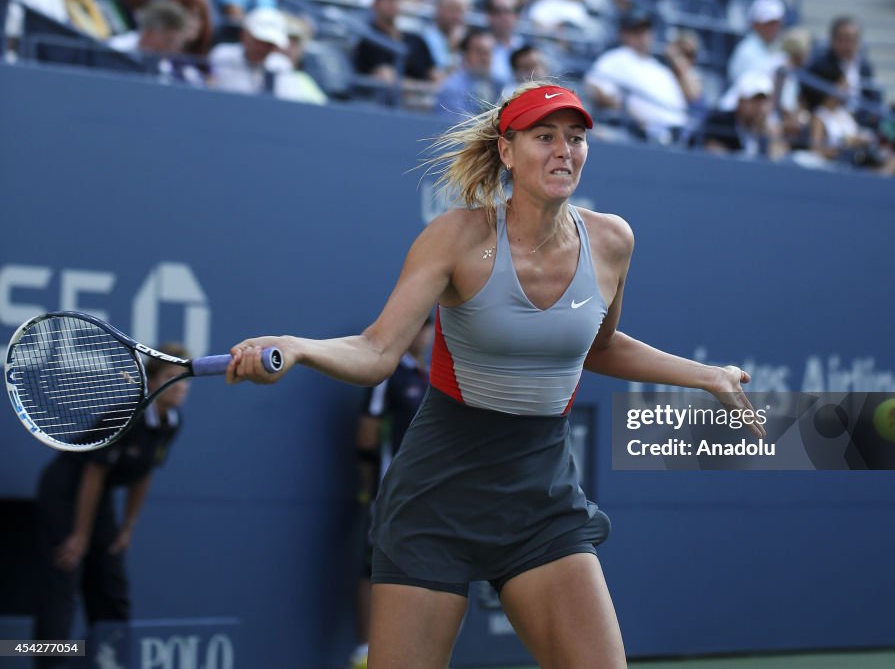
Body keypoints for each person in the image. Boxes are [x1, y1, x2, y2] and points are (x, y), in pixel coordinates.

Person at [226, 81, 766, 668]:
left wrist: (707, 376)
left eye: (576, 138)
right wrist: (299, 349)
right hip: (436, 497)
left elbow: (598, 347)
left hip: (541, 497)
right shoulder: (456, 237)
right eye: (544, 136)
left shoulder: (611, 241)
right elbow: (377, 351)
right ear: (507, 151)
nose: (565, 150)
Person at [33, 344, 191, 669]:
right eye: (172, 378)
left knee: (111, 579)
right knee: (66, 574)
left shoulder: (172, 421)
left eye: (185, 380)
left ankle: (110, 660)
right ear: (153, 383)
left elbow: (144, 474)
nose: (181, 388)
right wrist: (79, 536)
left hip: (98, 495)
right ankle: (50, 663)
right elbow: (92, 473)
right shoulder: (126, 417)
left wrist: (127, 527)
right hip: (66, 489)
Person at [348, 316, 433, 669]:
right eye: (415, 326)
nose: (422, 334)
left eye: (427, 327)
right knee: (375, 566)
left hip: (431, 494)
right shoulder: (389, 374)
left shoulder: (430, 377)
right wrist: (371, 488)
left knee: (425, 569)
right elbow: (367, 436)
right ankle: (366, 651)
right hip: (390, 492)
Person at [585, 8, 688, 144]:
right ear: (624, 34)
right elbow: (592, 85)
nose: (642, 36)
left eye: (646, 30)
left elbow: (683, 103)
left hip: (679, 132)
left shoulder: (661, 68)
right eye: (636, 31)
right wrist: (622, 106)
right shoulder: (616, 57)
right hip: (643, 135)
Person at [353, 0, 439, 107]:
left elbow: (438, 79)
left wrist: (420, 87)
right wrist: (425, 88)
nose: (394, 3)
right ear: (376, 3)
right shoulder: (369, 42)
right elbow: (389, 81)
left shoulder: (417, 40)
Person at [701, 70, 787, 159]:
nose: (761, 108)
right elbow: (715, 158)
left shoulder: (767, 132)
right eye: (755, 101)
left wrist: (774, 138)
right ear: (740, 102)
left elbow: (777, 162)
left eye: (764, 102)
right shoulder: (720, 122)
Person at [434, 28, 501, 120]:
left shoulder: (498, 84)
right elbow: (453, 129)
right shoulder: (451, 88)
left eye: (489, 52)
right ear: (465, 55)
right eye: (480, 52)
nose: (486, 58)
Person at [726, 0, 784, 85]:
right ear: (755, 24)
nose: (773, 28)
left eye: (776, 23)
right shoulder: (746, 52)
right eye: (768, 23)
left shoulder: (777, 48)